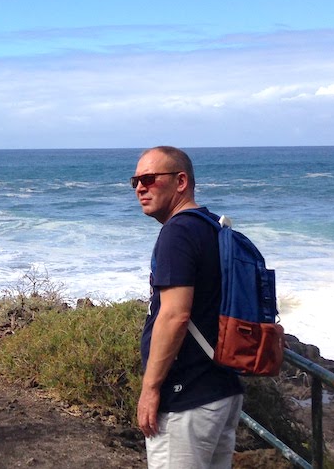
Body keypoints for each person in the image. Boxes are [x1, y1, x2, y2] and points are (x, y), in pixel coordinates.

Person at [133, 146, 243, 469]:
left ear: (181, 181)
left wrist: (150, 389)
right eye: (136, 180)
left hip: (188, 398)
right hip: (222, 389)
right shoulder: (213, 227)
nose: (140, 187)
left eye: (150, 178)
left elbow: (174, 315)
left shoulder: (177, 233)